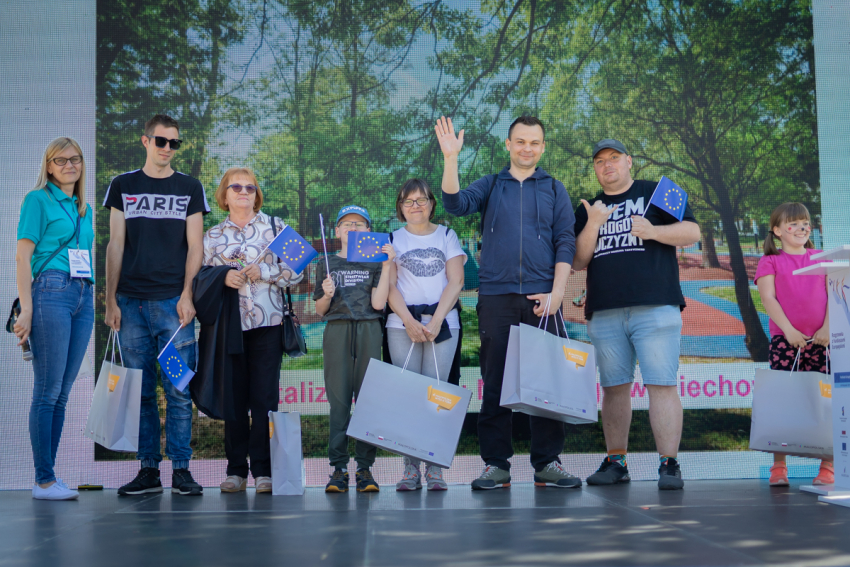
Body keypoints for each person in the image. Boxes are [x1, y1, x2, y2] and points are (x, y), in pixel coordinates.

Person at [437, 115, 580, 490]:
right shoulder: (490, 185)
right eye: (520, 141)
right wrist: (451, 158)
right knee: (496, 382)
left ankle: (548, 463)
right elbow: (454, 204)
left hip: (543, 300)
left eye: (534, 142)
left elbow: (566, 241)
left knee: (545, 384)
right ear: (508, 145)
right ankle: (496, 466)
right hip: (497, 298)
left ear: (542, 147)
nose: (527, 148)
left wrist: (558, 292)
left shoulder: (554, 188)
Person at [572, 139, 700, 490]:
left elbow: (693, 231)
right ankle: (616, 462)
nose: (607, 165)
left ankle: (669, 465)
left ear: (629, 161)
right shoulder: (587, 207)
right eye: (600, 161)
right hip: (606, 312)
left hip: (656, 307)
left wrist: (653, 231)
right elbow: (579, 260)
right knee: (614, 389)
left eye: (614, 158)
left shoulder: (660, 189)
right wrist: (594, 223)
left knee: (661, 385)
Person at [104, 114, 210, 496]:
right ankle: (149, 471)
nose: (168, 148)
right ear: (145, 141)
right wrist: (110, 298)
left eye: (174, 143)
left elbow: (196, 246)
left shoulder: (189, 187)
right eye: (161, 141)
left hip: (172, 307)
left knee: (179, 389)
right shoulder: (123, 185)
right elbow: (115, 244)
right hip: (130, 306)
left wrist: (187, 295)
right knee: (143, 391)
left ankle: (181, 469)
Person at [202, 167, 303, 493]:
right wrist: (222, 278)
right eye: (236, 187)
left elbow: (300, 273)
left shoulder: (277, 227)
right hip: (227, 329)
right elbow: (199, 281)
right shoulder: (212, 236)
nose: (243, 192)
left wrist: (267, 271)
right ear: (225, 194)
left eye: (249, 187)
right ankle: (235, 471)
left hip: (268, 326)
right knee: (232, 399)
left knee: (264, 399)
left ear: (256, 193)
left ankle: (263, 471)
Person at [14, 138, 94, 500]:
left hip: (83, 295)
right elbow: (22, 257)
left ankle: (51, 478)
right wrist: (26, 309)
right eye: (60, 160)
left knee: (61, 394)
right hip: (51, 293)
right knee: (47, 391)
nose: (69, 165)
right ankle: (43, 480)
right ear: (48, 166)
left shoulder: (84, 209)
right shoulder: (38, 200)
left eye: (75, 159)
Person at [386, 178, 466, 491]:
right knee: (408, 397)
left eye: (422, 200)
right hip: (401, 325)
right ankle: (410, 470)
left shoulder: (447, 235)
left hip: (443, 324)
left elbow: (455, 281)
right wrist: (407, 320)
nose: (416, 206)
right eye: (409, 201)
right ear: (400, 208)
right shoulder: (392, 238)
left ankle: (435, 468)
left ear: (432, 203)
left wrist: (436, 320)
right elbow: (389, 285)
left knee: (436, 396)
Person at [314, 205, 394, 493]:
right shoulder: (327, 262)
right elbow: (320, 309)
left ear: (368, 231)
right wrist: (326, 294)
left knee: (368, 400)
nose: (353, 228)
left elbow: (378, 304)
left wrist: (386, 267)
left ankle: (364, 469)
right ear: (337, 230)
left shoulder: (375, 263)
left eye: (360, 224)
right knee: (339, 401)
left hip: (369, 328)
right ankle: (338, 469)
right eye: (346, 223)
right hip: (337, 329)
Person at [755, 202, 832, 486]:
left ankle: (828, 466)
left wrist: (826, 328)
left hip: (822, 342)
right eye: (793, 224)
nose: (801, 228)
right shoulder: (770, 261)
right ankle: (779, 467)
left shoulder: (821, 258)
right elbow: (768, 299)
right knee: (781, 401)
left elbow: (835, 295)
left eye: (805, 223)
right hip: (786, 342)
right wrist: (788, 332)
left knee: (827, 401)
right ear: (777, 231)